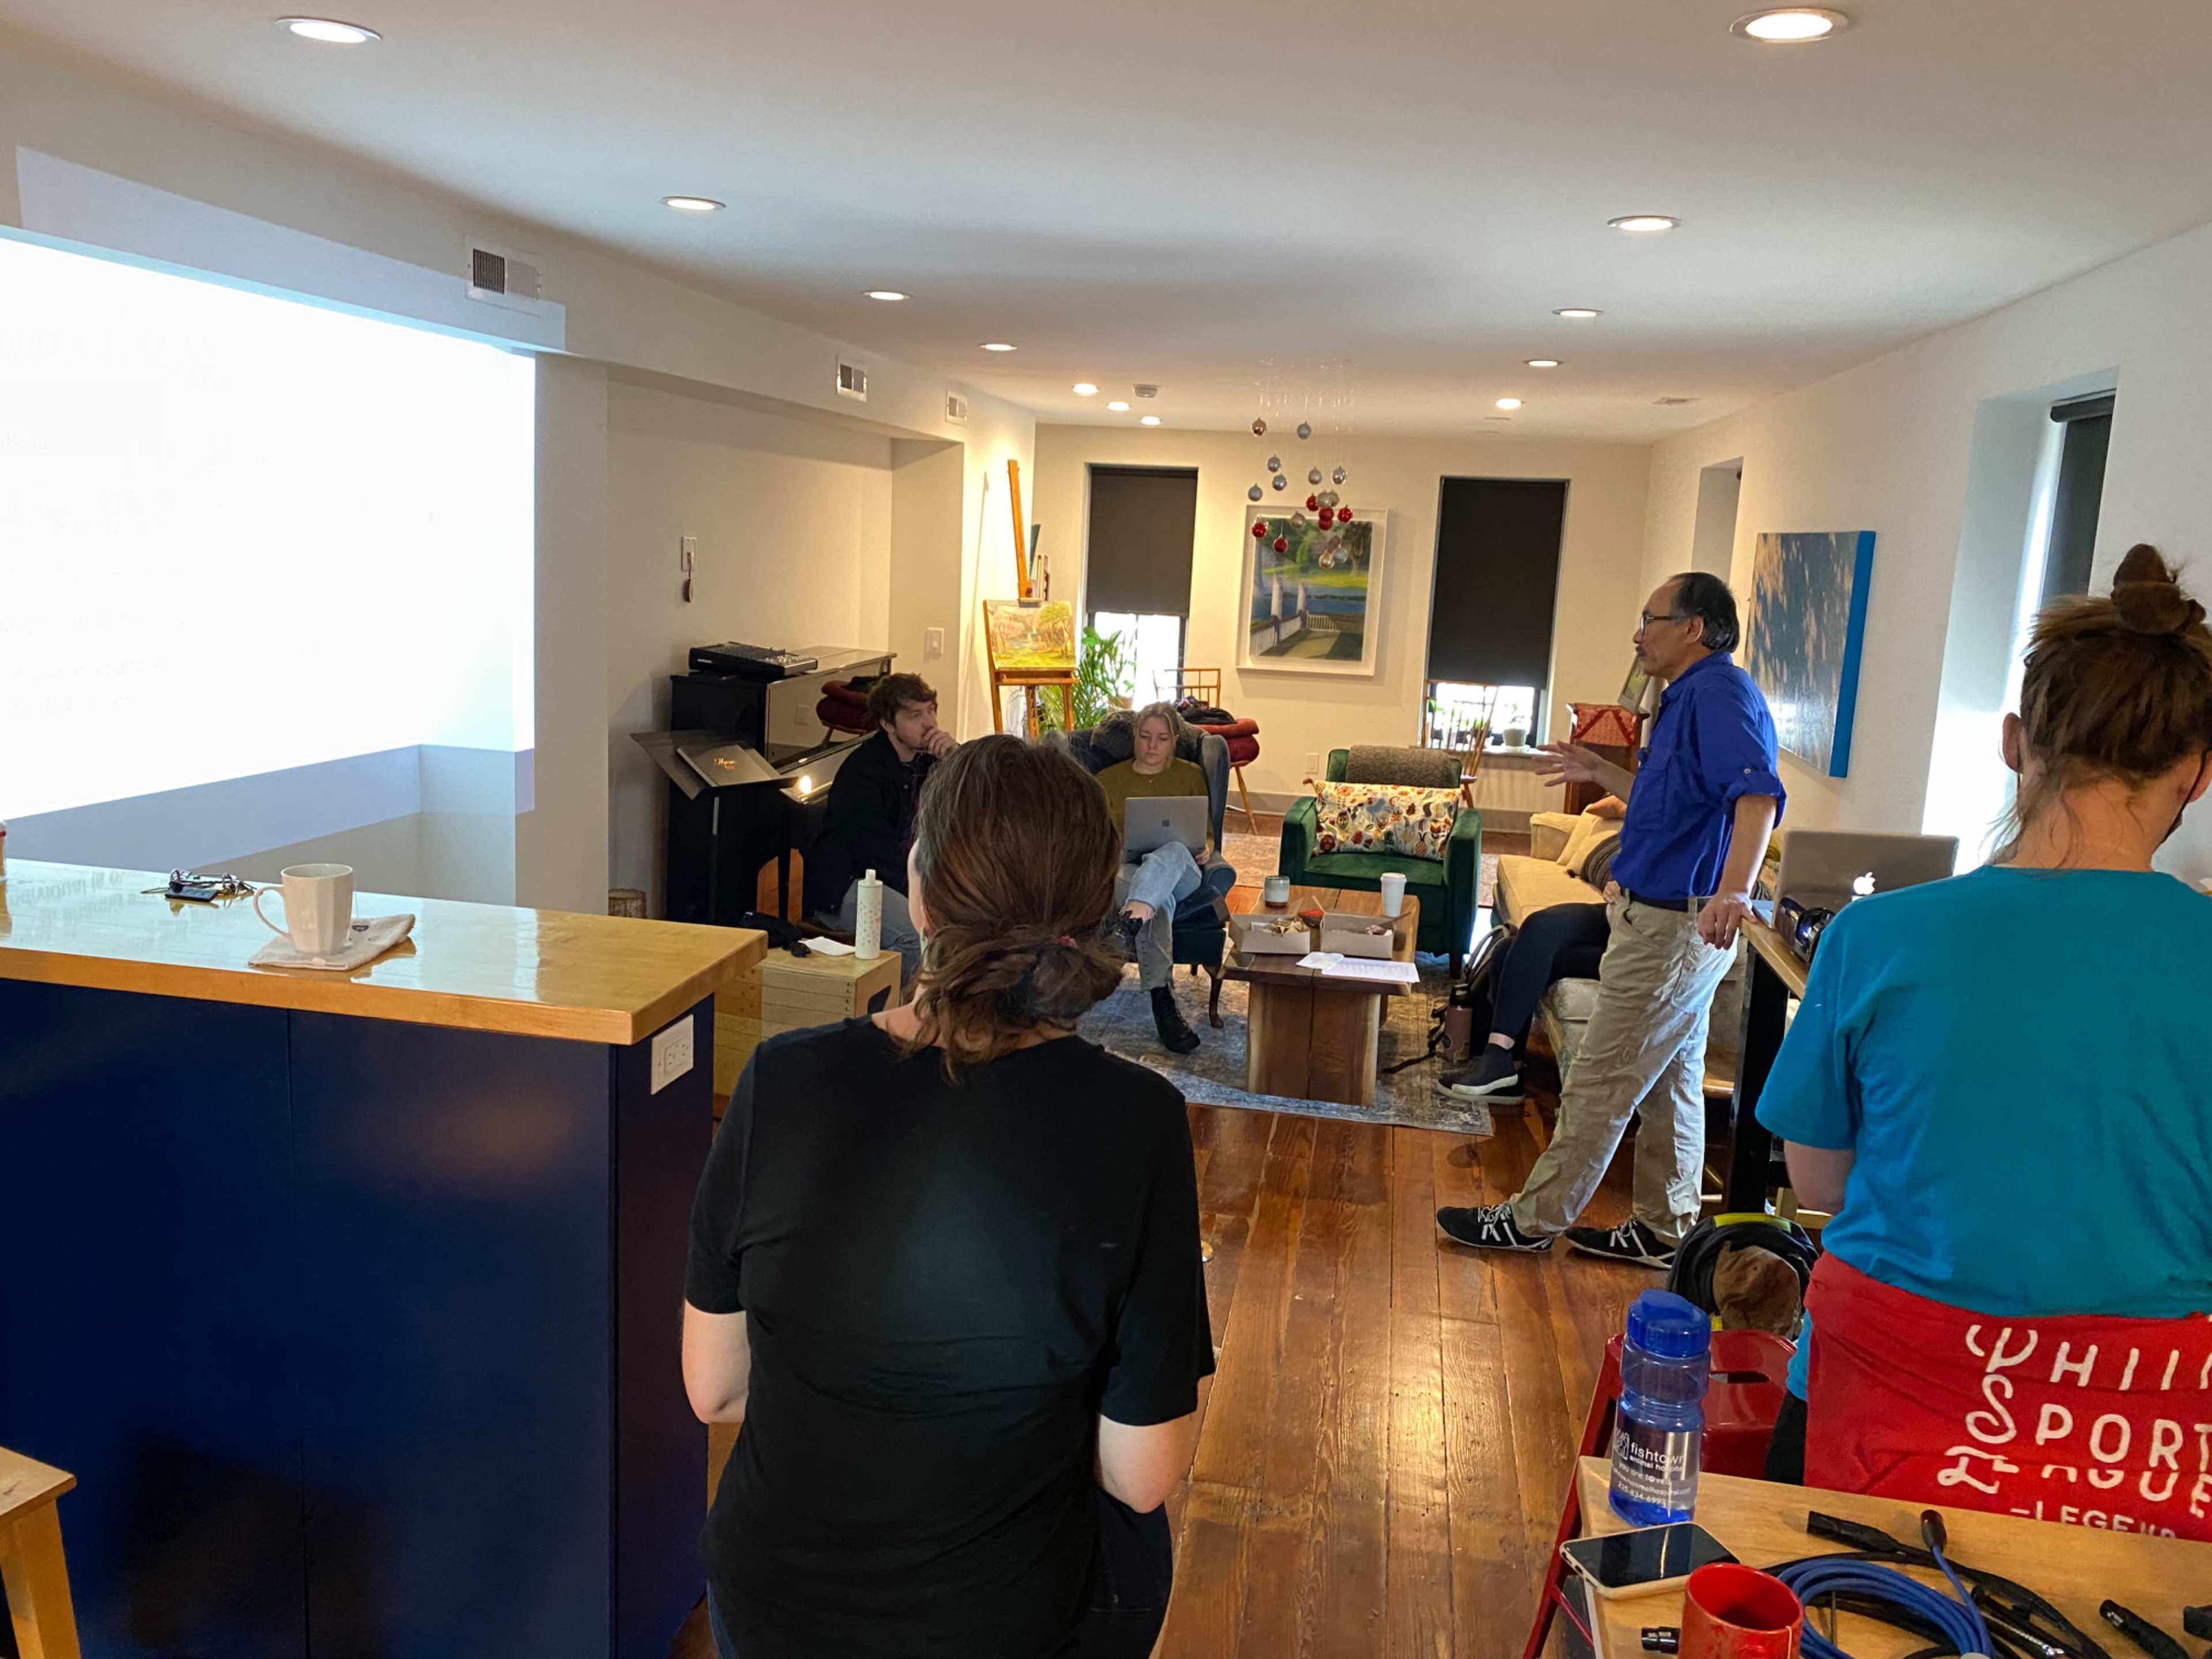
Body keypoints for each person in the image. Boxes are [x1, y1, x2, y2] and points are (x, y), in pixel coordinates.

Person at [684, 734, 1214, 1657]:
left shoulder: (781, 1081)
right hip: (1013, 1620)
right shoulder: (1138, 1122)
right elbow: (1141, 1473)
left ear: (919, 891)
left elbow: (716, 1388)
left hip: (776, 1609)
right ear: (1092, 911)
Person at [1756, 544, 2212, 1536]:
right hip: (2141, 1434)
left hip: (1879, 1403)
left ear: (2016, 742)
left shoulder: (1876, 938)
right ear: (2199, 772)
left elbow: (1820, 1187)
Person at [1437, 573, 1784, 1268]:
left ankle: (1534, 1220)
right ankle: (1665, 1229)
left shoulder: (1719, 695)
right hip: (1657, 919)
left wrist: (1734, 891)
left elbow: (1759, 796)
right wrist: (1600, 767)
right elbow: (1669, 800)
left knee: (1602, 1078)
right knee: (1671, 1084)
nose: (1638, 633)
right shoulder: (1685, 696)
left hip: (1673, 931)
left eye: (1651, 619)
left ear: (1695, 628)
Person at [1438, 798, 1626, 1103]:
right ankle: (1507, 1069)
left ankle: (1498, 1058)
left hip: (1640, 935)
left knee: (1530, 939)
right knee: (1511, 947)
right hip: (1617, 913)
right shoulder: (1657, 800)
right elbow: (1613, 808)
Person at [1095, 702, 1237, 1055]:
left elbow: (1205, 836)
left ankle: (1129, 924)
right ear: (1134, 738)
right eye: (1144, 737)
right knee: (1159, 901)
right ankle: (1163, 1002)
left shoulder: (1190, 774)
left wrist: (1203, 849)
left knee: (1173, 850)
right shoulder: (1108, 780)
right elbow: (1091, 836)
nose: (1152, 745)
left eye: (1161, 738)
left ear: (1175, 740)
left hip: (1182, 869)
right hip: (1128, 868)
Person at [802, 672, 953, 977]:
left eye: (931, 710)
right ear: (887, 724)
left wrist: (956, 760)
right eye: (915, 715)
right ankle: (907, 1021)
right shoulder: (865, 772)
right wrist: (933, 897)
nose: (930, 723)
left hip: (900, 878)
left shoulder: (929, 762)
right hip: (847, 885)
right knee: (916, 939)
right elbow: (880, 857)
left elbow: (967, 818)